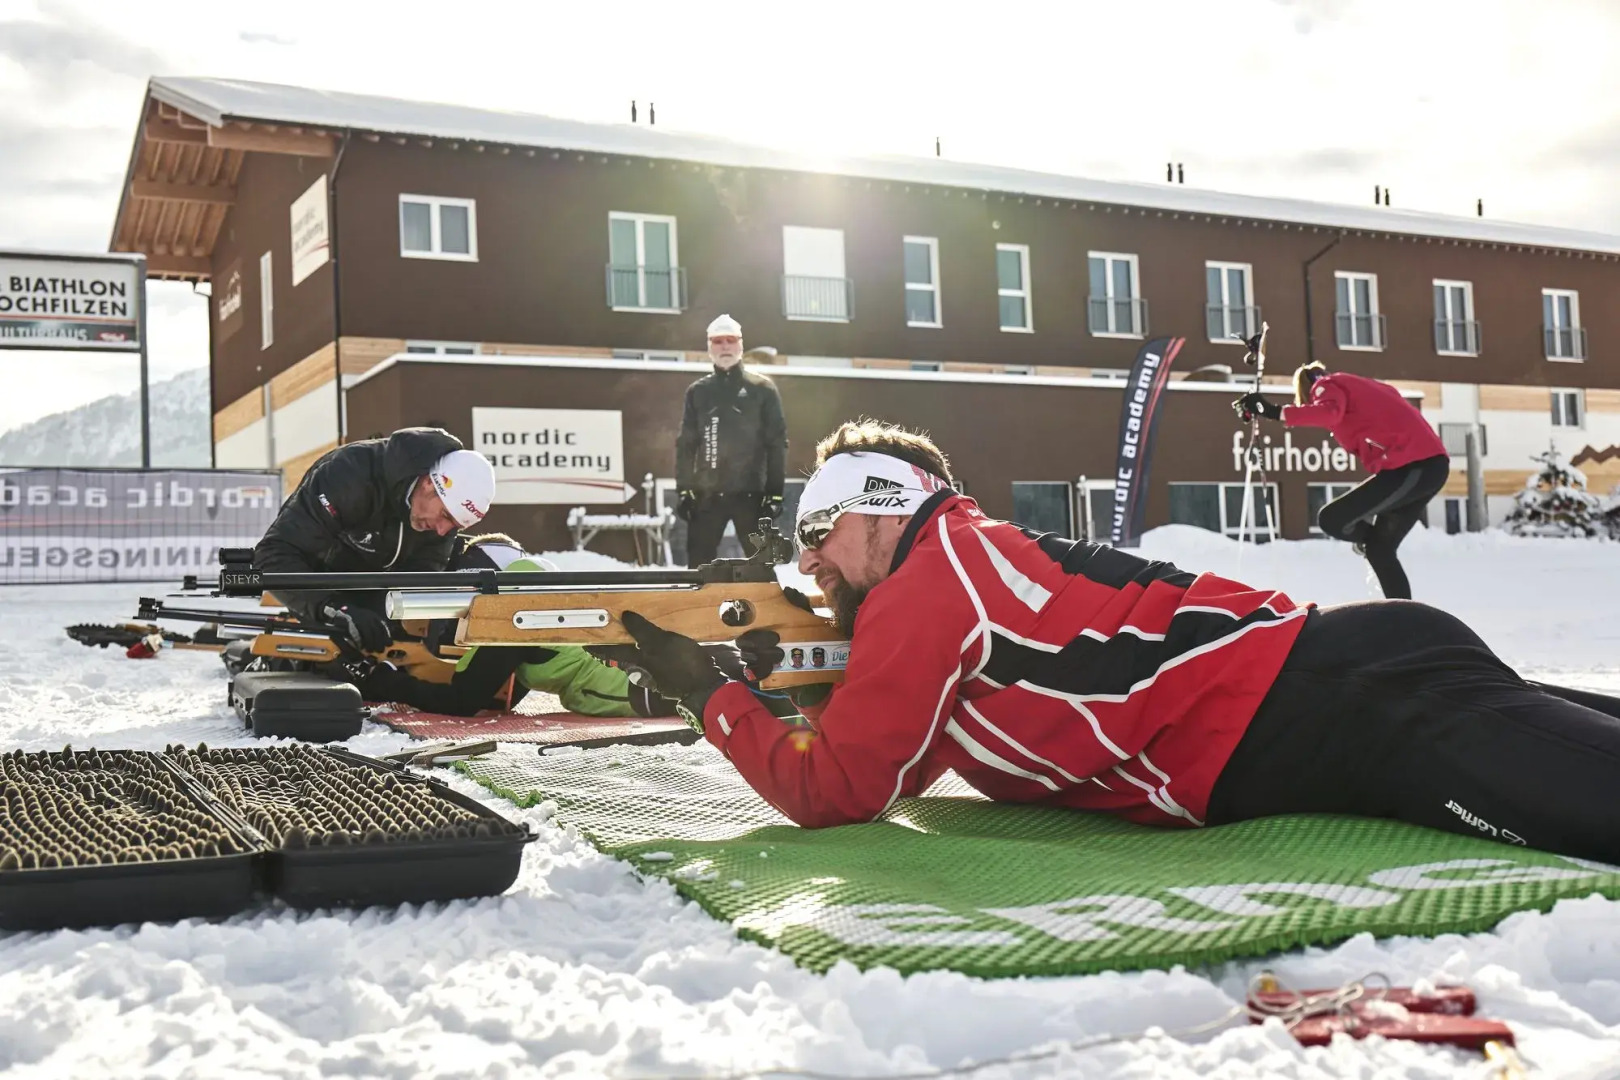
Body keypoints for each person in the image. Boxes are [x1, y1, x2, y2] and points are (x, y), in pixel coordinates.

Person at [619, 419, 1620, 866]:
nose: (811, 564)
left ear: (880, 507)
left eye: (817, 533)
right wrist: (786, 695)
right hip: (1339, 696)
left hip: (1346, 708)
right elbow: (891, 766)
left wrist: (710, 695)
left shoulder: (934, 581)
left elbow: (834, 796)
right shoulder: (955, 566)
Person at [339, 533, 678, 718]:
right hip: (639, 679)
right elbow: (502, 695)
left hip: (635, 690)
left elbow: (463, 701)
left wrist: (386, 682)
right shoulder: (540, 590)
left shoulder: (513, 612)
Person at [254, 427, 496, 655]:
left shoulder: (440, 518)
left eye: (455, 525)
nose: (443, 531)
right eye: (445, 516)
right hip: (323, 591)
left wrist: (386, 618)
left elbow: (422, 573)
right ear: (428, 485)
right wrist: (334, 608)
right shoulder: (348, 476)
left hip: (377, 596)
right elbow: (272, 555)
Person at [1240, 363, 1449, 599]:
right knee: (1380, 550)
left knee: (1332, 519)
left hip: (1413, 465)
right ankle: (1403, 617)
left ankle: (1397, 604)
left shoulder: (1325, 385)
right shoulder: (1360, 386)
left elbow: (1329, 413)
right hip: (1427, 465)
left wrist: (1274, 411)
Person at [675, 313, 788, 566]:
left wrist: (775, 494)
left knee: (761, 569)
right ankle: (700, 607)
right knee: (699, 569)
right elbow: (686, 445)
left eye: (730, 340)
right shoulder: (698, 392)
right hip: (707, 496)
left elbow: (777, 444)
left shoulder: (762, 390)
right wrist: (684, 489)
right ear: (709, 348)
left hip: (751, 495)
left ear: (740, 345)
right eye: (717, 341)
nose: (724, 346)